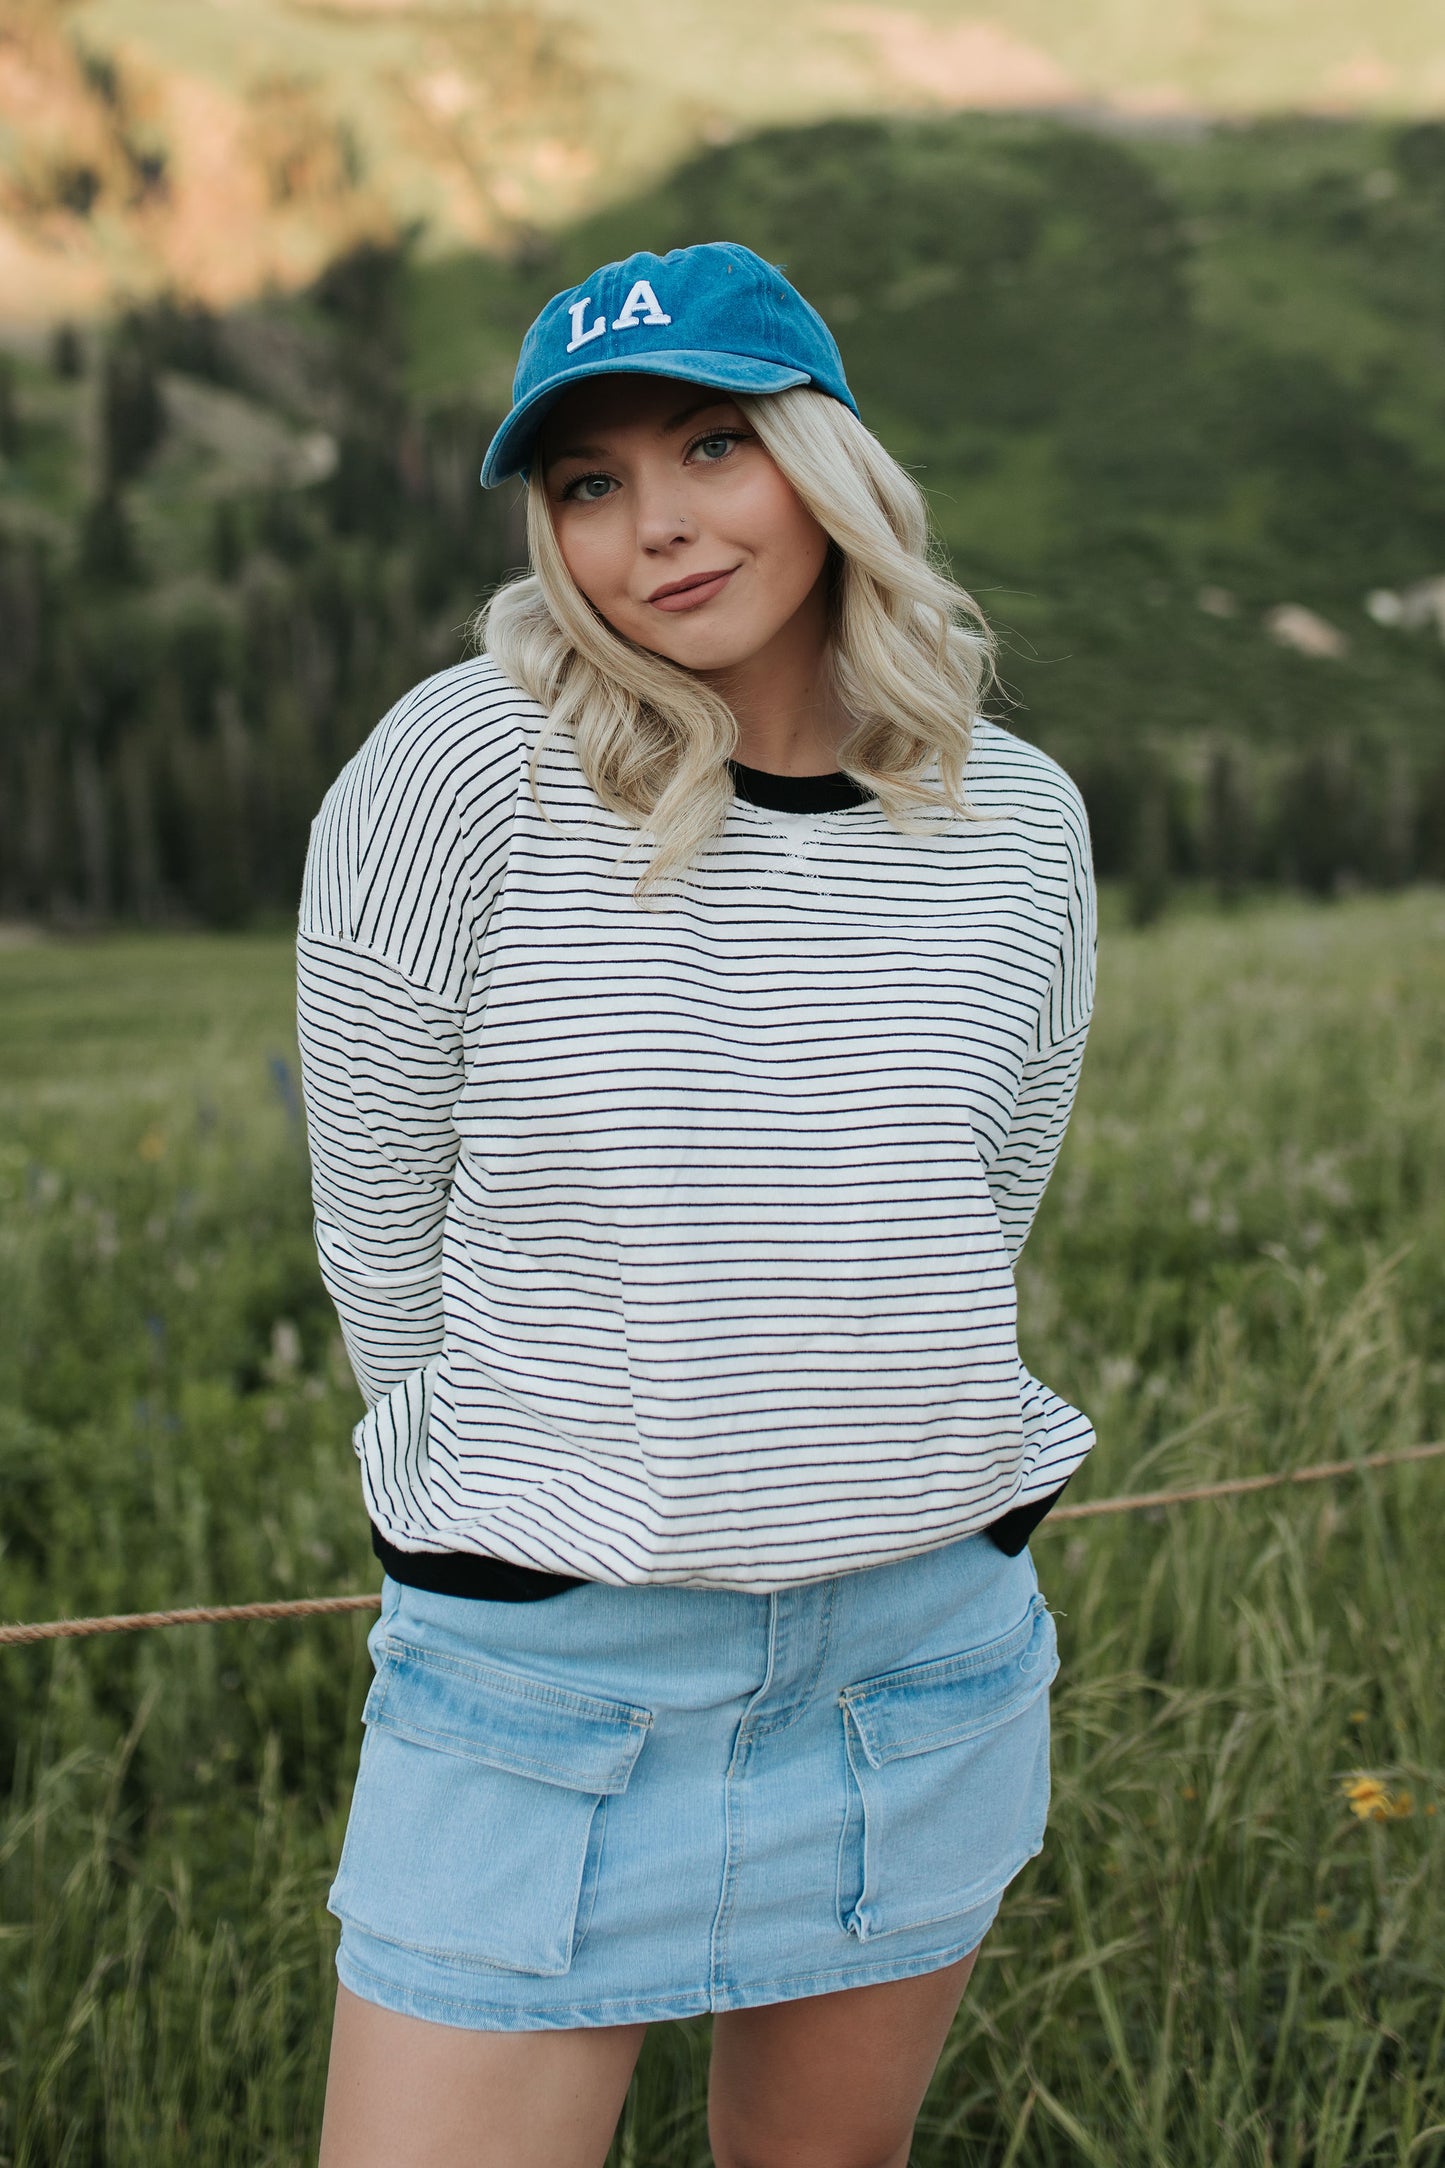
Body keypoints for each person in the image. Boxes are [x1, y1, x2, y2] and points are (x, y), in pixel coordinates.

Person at [297, 241, 1096, 2168]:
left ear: (823, 464)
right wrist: (525, 1478)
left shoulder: (1019, 823)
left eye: (712, 447)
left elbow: (977, 1198)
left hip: (919, 1663)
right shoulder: (465, 767)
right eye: (588, 484)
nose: (653, 527)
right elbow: (377, 1211)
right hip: (546, 1685)